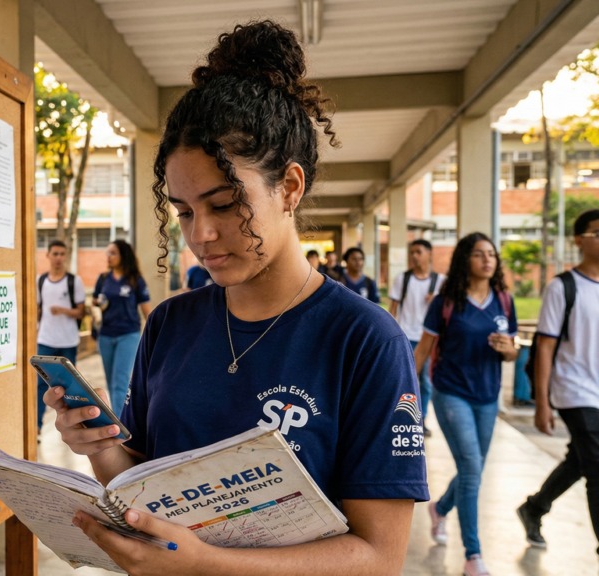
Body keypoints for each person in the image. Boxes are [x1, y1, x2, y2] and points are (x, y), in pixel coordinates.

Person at [46, 20, 427, 575]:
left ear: (289, 188)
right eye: (183, 212)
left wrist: (208, 565)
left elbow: (380, 558)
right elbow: (141, 489)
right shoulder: (170, 325)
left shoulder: (365, 340)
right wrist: (100, 445)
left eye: (224, 204)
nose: (200, 234)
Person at [413, 232, 518, 576]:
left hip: (488, 397)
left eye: (492, 254)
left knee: (473, 469)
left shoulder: (504, 301)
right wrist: (403, 394)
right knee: (472, 468)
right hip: (451, 393)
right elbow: (423, 350)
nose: (488, 260)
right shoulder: (445, 302)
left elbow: (512, 350)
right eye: (479, 254)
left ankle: (440, 508)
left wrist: (509, 350)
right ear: (464, 260)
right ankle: (473, 554)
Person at [516, 209, 599, 553]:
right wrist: (542, 402)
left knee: (580, 460)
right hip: (574, 391)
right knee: (597, 468)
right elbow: (546, 347)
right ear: (579, 240)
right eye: (597, 233)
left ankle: (535, 507)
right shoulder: (562, 287)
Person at [389, 239, 445, 436]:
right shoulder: (402, 279)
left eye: (419, 252)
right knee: (405, 381)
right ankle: (405, 420)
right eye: (412, 252)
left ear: (429, 254)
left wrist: (436, 300)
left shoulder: (440, 281)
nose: (414, 256)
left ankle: (422, 420)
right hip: (405, 337)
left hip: (429, 339)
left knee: (427, 383)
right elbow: (393, 309)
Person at [92, 239, 151, 410]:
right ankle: (118, 416)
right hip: (106, 335)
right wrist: (98, 304)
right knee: (111, 382)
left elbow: (147, 312)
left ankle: (119, 423)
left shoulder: (135, 280)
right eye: (108, 253)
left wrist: (154, 336)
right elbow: (95, 302)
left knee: (120, 382)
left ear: (123, 255)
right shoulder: (103, 279)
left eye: (113, 253)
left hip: (128, 335)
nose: (108, 256)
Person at [35, 240, 86, 432]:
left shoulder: (74, 281)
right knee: (41, 383)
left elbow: (81, 312)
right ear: (48, 255)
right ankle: (37, 426)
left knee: (70, 386)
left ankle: (73, 425)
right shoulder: (41, 281)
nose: (58, 258)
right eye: (55, 254)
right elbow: (38, 309)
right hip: (45, 340)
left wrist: (63, 310)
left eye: (62, 254)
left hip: (68, 341)